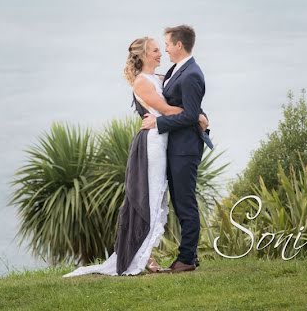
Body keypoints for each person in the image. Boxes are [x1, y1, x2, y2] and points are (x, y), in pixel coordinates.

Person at [63, 36, 209, 277]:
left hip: (165, 142)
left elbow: (180, 98)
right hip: (152, 144)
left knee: (158, 198)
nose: (160, 53)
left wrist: (195, 113)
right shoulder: (141, 83)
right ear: (143, 55)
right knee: (147, 199)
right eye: (154, 50)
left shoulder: (161, 78)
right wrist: (197, 117)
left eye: (161, 49)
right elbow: (167, 110)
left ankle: (146, 253)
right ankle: (141, 256)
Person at [140, 24, 206, 273]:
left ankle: (187, 259)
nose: (165, 49)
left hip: (185, 149)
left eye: (167, 44)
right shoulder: (177, 70)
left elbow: (189, 115)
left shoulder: (191, 74)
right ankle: (190, 255)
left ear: (179, 45)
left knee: (185, 203)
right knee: (180, 202)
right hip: (175, 146)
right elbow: (190, 106)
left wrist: (159, 122)